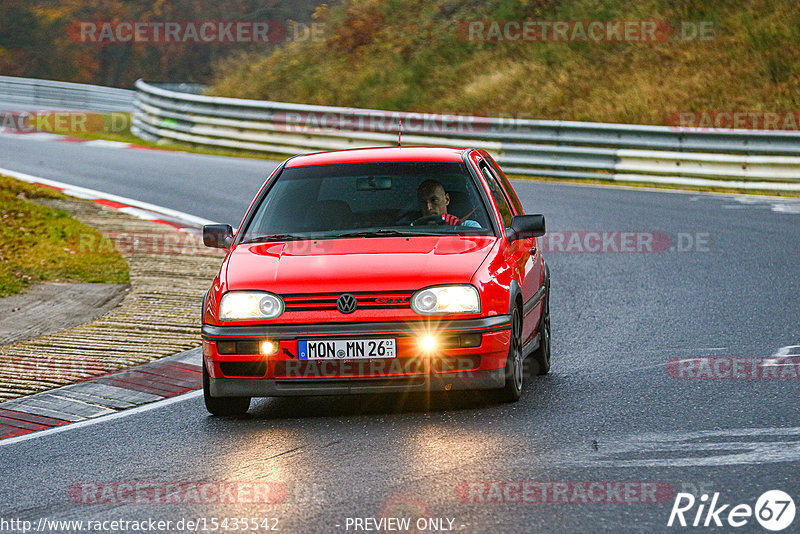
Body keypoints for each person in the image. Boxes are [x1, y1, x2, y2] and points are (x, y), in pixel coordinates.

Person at [415, 179, 481, 227]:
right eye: (423, 202)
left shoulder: (468, 227)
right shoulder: (410, 231)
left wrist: (456, 227)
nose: (428, 208)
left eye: (434, 200)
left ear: (447, 199)